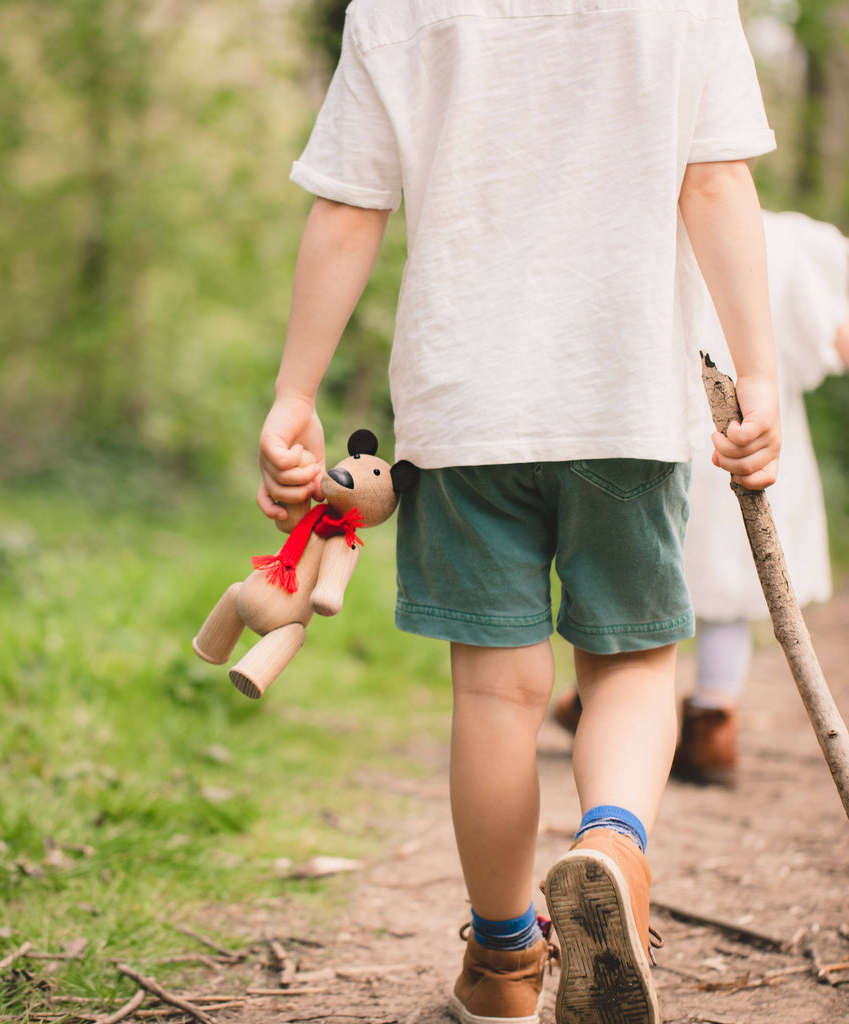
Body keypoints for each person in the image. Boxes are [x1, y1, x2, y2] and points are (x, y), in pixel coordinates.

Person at [253, 3, 780, 1023]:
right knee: (629, 663)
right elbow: (714, 179)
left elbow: (348, 207)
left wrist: (295, 391)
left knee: (496, 696)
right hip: (623, 396)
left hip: (465, 407)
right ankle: (610, 848)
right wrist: (754, 370)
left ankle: (501, 963)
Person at [554, 210, 849, 787]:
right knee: (730, 582)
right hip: (752, 436)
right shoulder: (783, 240)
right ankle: (713, 715)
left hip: (662, 431)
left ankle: (608, 704)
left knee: (639, 573)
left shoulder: (644, 221)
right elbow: (837, 335)